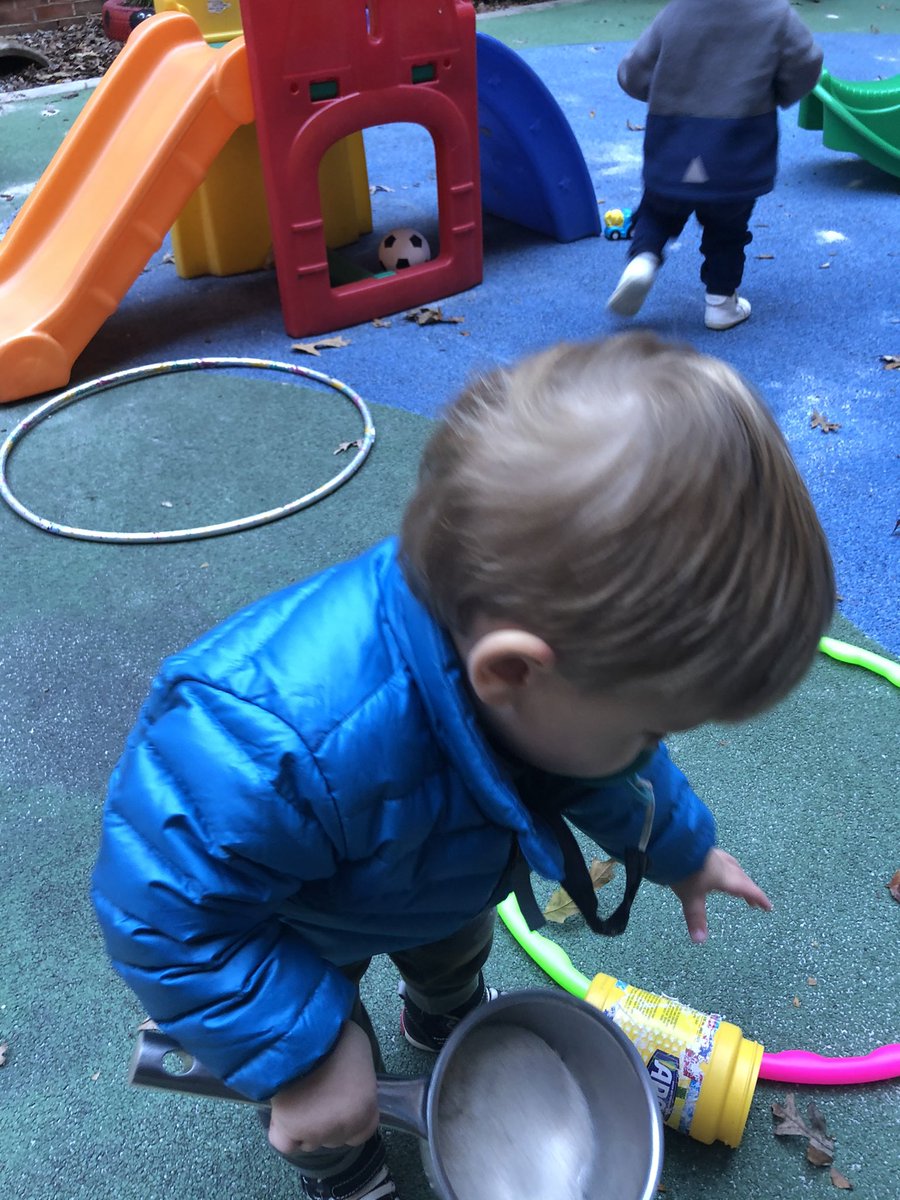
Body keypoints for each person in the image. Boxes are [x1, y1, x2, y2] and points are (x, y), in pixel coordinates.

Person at [92, 332, 834, 1200]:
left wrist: (682, 846)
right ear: (511, 671)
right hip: (294, 928)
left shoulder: (541, 686)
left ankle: (443, 1014)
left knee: (451, 953)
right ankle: (346, 1166)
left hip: (439, 873)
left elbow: (606, 768)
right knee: (329, 1081)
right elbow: (159, 907)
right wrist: (294, 1053)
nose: (651, 746)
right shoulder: (266, 734)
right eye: (650, 727)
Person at [606, 0, 823, 329]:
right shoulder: (776, 15)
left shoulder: (677, 13)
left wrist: (664, 91)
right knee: (728, 229)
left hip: (675, 144)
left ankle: (644, 258)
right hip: (737, 149)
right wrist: (776, 93)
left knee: (657, 209)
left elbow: (633, 74)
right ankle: (721, 302)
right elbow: (807, 63)